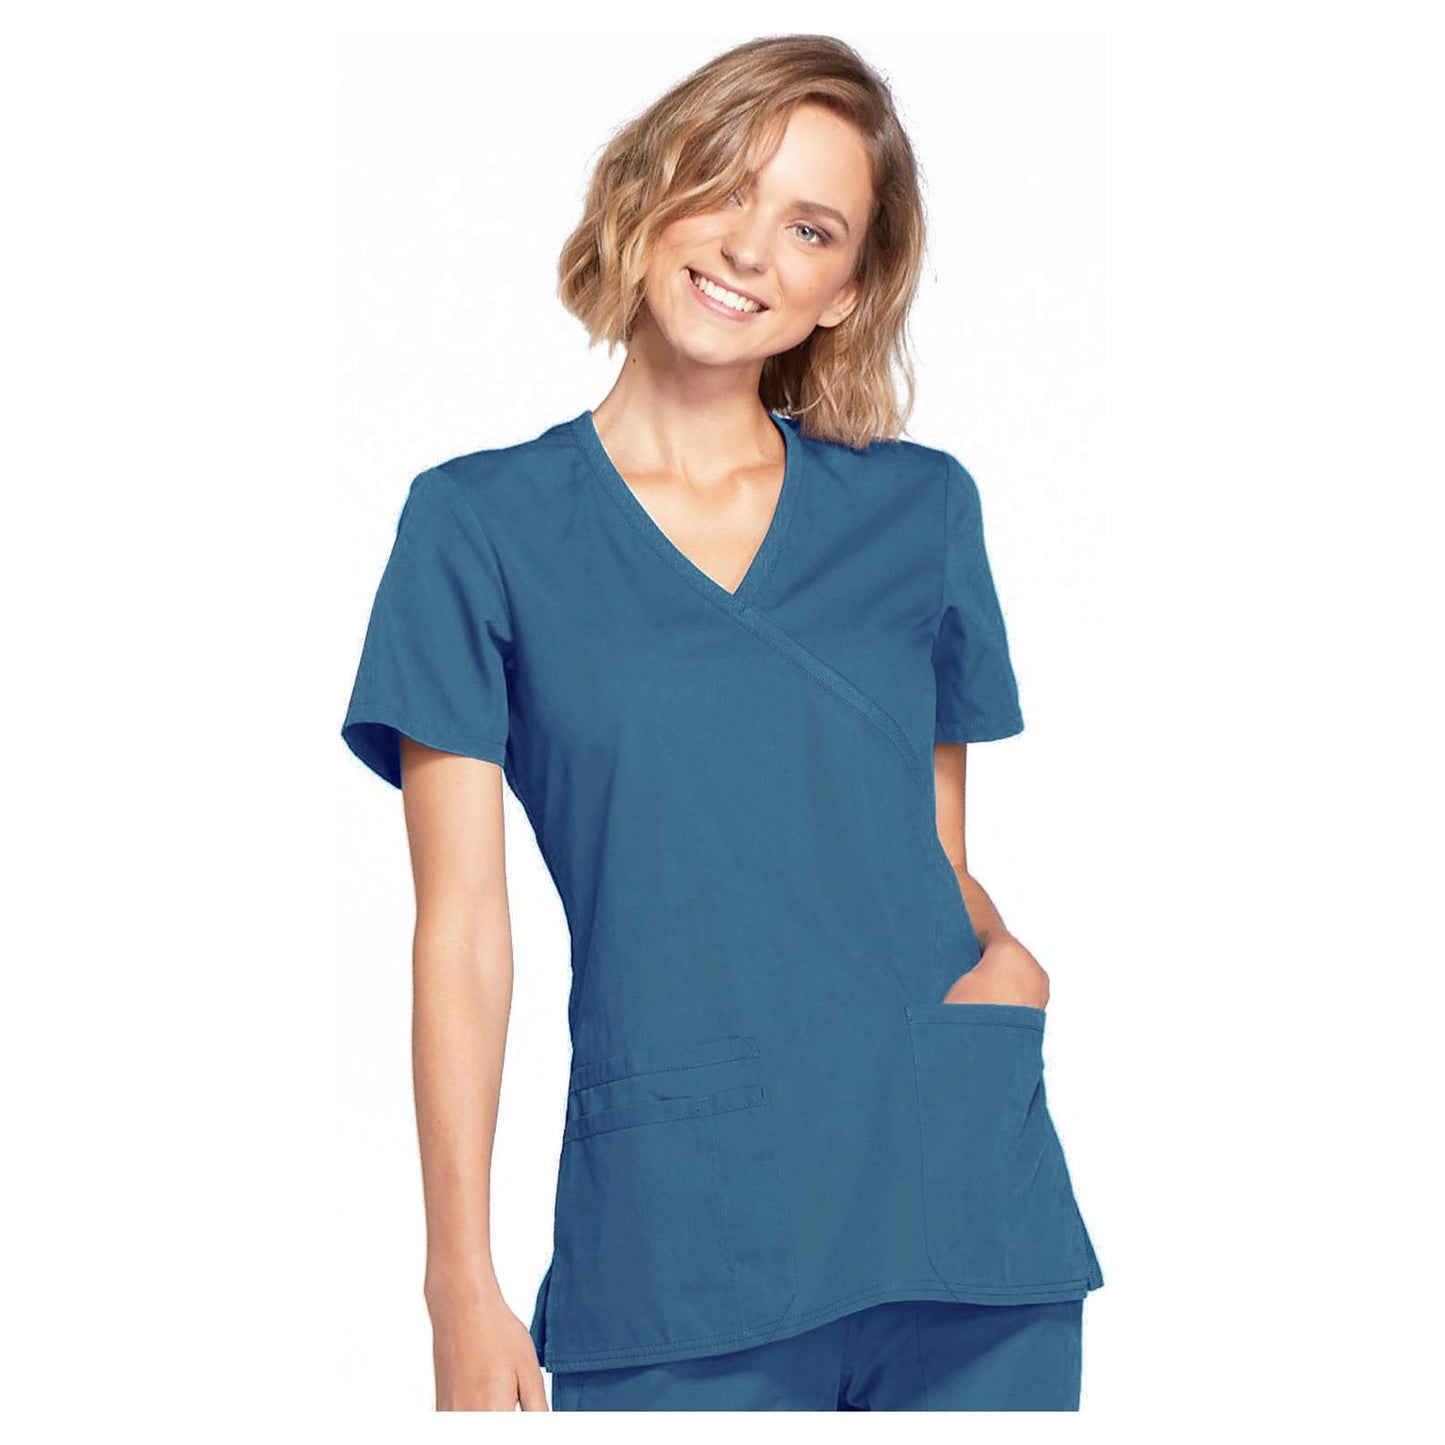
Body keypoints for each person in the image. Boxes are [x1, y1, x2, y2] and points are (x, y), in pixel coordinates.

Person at [340, 34, 1104, 1412]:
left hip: (962, 1209)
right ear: (648, 190)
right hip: (680, 1233)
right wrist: (458, 1275)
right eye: (726, 185)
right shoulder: (479, 527)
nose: (750, 246)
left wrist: (1006, 964)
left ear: (844, 291)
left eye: (810, 227)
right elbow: (461, 929)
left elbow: (929, 853)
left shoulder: (919, 511)